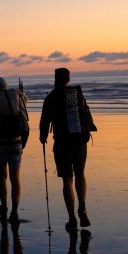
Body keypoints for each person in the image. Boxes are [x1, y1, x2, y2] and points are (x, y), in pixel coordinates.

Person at [39, 67, 96, 232]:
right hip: (79, 141)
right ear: (68, 79)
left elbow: (44, 121)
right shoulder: (77, 93)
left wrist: (43, 138)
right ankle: (83, 207)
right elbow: (87, 115)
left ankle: (72, 218)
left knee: (67, 179)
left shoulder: (51, 97)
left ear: (55, 78)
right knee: (80, 174)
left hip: (62, 143)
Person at [0, 76, 29, 223]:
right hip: (16, 143)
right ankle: (15, 211)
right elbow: (25, 124)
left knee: (2, 176)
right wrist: (23, 143)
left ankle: (4, 206)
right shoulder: (18, 98)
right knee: (15, 178)